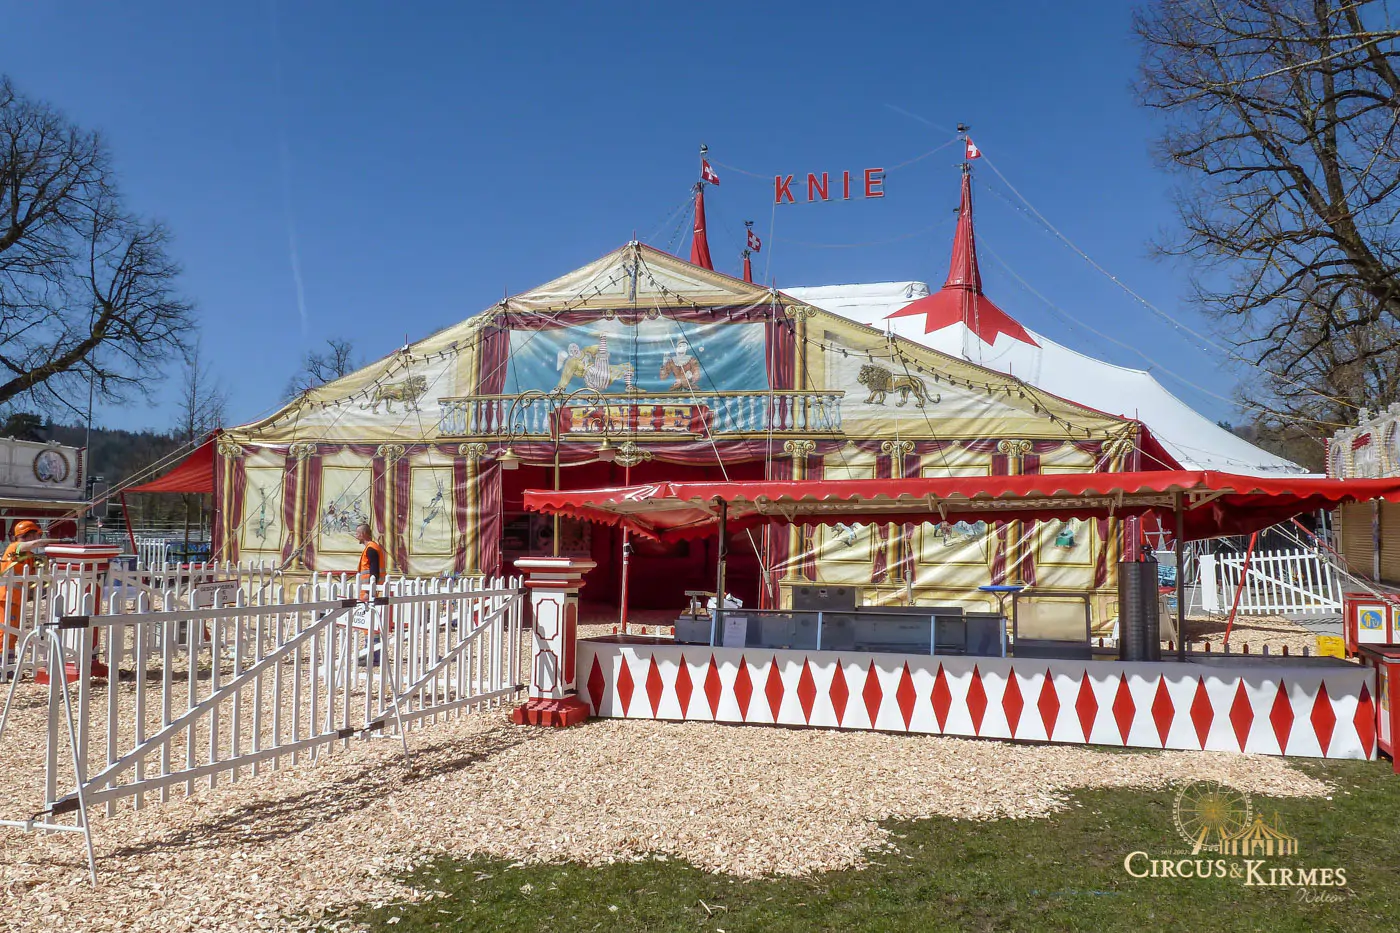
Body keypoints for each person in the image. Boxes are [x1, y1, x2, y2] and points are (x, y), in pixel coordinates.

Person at [1, 521, 54, 677]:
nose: (37, 537)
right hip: (5, 596)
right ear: (28, 534)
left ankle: (8, 667)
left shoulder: (29, 555)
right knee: (3, 633)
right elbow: (32, 545)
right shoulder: (14, 548)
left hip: (16, 599)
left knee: (12, 634)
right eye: (35, 534)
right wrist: (52, 541)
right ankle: (2, 667)